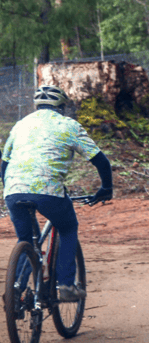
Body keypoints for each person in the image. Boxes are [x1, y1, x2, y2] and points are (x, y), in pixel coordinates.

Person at [2, 85, 113, 302]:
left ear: (37, 106)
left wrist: (11, 188)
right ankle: (66, 285)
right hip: (48, 192)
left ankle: (15, 290)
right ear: (62, 107)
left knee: (26, 238)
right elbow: (100, 161)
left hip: (13, 190)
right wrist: (106, 189)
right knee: (68, 227)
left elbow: (4, 163)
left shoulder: (20, 124)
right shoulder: (69, 125)